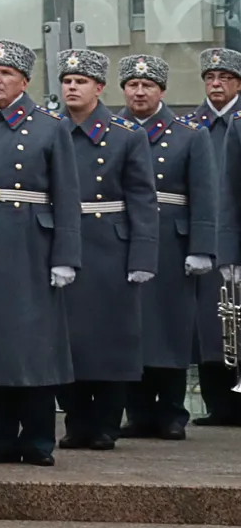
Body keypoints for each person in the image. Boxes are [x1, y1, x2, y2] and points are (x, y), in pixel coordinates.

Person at [0, 40, 80, 466]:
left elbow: (66, 196)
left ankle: (38, 440)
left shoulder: (49, 127)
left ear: (24, 81)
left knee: (33, 348)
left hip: (32, 247)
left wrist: (66, 255)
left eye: (5, 73)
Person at [53, 50, 157, 450]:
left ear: (99, 88)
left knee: (112, 340)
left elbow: (142, 200)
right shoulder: (50, 130)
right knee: (69, 339)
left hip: (111, 246)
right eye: (67, 81)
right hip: (66, 240)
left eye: (81, 81)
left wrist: (143, 256)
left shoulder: (126, 134)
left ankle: (107, 424)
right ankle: (76, 422)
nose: (72, 87)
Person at [119, 55, 216, 441]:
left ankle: (172, 412)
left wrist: (202, 246)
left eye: (147, 85)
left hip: (171, 244)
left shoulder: (189, 134)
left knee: (171, 329)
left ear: (162, 90)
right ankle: (139, 412)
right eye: (132, 85)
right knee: (132, 328)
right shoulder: (114, 131)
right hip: (125, 240)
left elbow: (204, 195)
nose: (139, 92)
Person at [194, 47, 241, 422]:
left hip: (235, 232)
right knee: (210, 326)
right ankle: (218, 406)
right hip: (204, 237)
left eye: (224, 78)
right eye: (210, 78)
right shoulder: (192, 126)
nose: (216, 85)